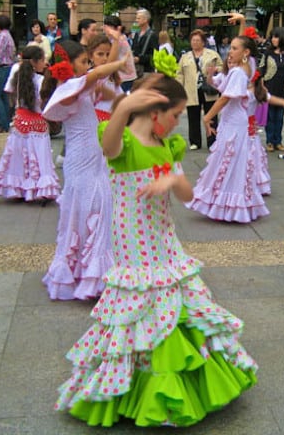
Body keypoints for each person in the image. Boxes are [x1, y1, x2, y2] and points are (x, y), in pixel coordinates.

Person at [53, 66, 257, 428]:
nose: (179, 123)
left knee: (177, 303)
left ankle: (183, 380)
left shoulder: (168, 145)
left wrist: (172, 180)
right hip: (134, 246)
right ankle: (145, 390)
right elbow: (109, 145)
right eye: (175, 115)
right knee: (141, 307)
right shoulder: (126, 144)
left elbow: (189, 194)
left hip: (165, 242)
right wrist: (122, 106)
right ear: (153, 112)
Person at [39, 39, 126, 300]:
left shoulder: (80, 86)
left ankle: (92, 271)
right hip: (80, 159)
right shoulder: (68, 87)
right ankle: (83, 272)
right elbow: (99, 74)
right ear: (67, 64)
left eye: (89, 61)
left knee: (98, 205)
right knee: (86, 208)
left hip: (94, 155)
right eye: (84, 61)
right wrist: (122, 59)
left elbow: (107, 88)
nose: (88, 65)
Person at [186, 35, 269, 222]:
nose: (230, 52)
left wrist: (207, 117)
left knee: (230, 160)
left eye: (234, 48)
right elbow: (220, 88)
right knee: (230, 161)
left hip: (235, 123)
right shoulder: (238, 71)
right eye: (230, 48)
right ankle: (227, 204)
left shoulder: (240, 72)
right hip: (233, 120)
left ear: (245, 52)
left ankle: (230, 205)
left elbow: (225, 98)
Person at [0, 45, 60, 201]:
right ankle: (38, 188)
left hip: (20, 122)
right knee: (39, 158)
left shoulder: (17, 77)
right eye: (43, 59)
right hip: (38, 123)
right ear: (34, 62)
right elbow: (45, 102)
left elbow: (9, 93)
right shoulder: (41, 80)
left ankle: (18, 188)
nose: (45, 63)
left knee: (18, 158)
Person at [176, 29, 223, 150]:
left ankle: (212, 140)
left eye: (198, 40)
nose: (195, 43)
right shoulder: (185, 57)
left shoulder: (212, 54)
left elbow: (222, 67)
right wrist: (179, 88)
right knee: (193, 116)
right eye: (193, 40)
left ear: (203, 42)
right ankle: (195, 141)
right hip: (191, 89)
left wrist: (215, 70)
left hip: (208, 88)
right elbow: (180, 73)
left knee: (211, 115)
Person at [88, 33, 123, 122]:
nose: (105, 58)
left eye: (108, 54)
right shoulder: (90, 75)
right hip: (96, 122)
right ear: (91, 56)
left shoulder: (114, 78)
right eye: (100, 54)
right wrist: (116, 41)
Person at [102, 15, 136, 93]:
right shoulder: (119, 38)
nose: (106, 30)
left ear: (117, 28)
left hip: (125, 77)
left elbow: (110, 60)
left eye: (109, 28)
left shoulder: (119, 40)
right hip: (124, 76)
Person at [131, 8, 158, 78]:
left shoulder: (152, 35)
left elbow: (154, 55)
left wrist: (140, 59)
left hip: (146, 72)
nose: (136, 20)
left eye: (138, 18)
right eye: (136, 18)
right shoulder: (137, 34)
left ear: (145, 20)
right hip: (135, 71)